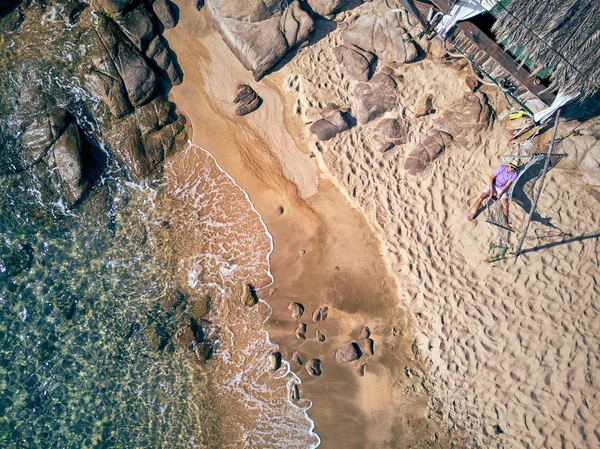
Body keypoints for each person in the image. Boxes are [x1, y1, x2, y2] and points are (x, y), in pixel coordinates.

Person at [468, 159, 520, 227]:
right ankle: (474, 213)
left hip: (501, 188)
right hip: (492, 184)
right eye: (511, 167)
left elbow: (507, 185)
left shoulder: (514, 174)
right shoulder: (502, 168)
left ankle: (506, 221)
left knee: (506, 205)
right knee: (481, 198)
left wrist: (500, 193)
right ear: (509, 165)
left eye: (514, 168)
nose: (512, 169)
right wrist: (491, 192)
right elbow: (491, 178)